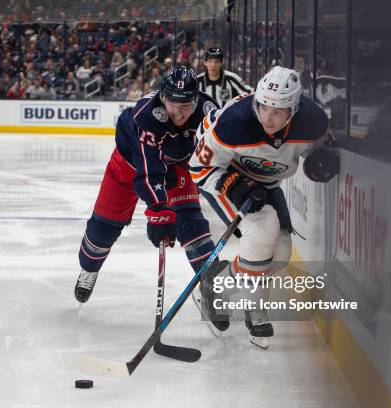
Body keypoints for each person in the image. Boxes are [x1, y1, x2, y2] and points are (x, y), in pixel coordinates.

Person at [189, 66, 339, 348]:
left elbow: (318, 148)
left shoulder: (313, 122)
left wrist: (323, 157)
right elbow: (198, 168)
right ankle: (255, 309)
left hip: (267, 185)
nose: (268, 117)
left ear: (293, 109)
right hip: (224, 178)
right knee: (263, 227)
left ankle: (214, 283)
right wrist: (233, 184)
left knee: (280, 256)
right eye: (263, 107)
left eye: (278, 111)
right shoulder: (233, 122)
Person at [75, 66, 220, 303]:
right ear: (163, 97)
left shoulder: (208, 111)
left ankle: (210, 281)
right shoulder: (147, 115)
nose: (179, 113)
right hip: (128, 165)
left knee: (191, 220)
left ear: (195, 100)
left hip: (175, 167)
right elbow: (148, 170)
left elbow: (216, 153)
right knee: (105, 226)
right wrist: (159, 210)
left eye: (185, 106)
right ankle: (89, 268)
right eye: (173, 104)